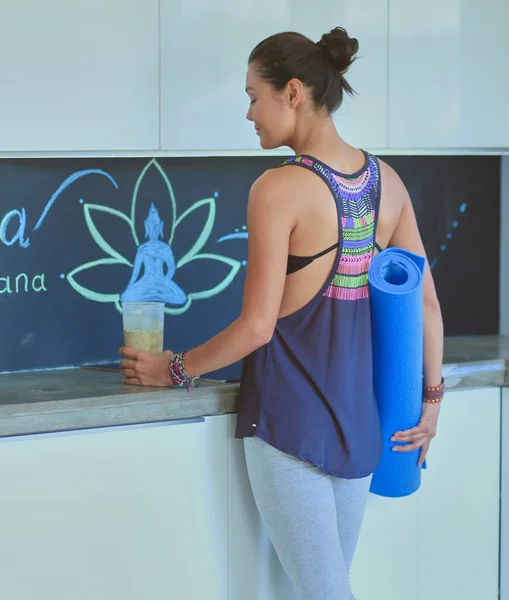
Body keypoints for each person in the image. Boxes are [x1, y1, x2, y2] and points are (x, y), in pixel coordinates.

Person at [120, 27, 444, 600]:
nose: (249, 114)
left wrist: (171, 369)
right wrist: (433, 400)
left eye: (253, 96)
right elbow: (425, 298)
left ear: (292, 92)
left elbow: (257, 326)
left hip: (287, 429)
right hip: (358, 430)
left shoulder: (277, 188)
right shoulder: (387, 183)